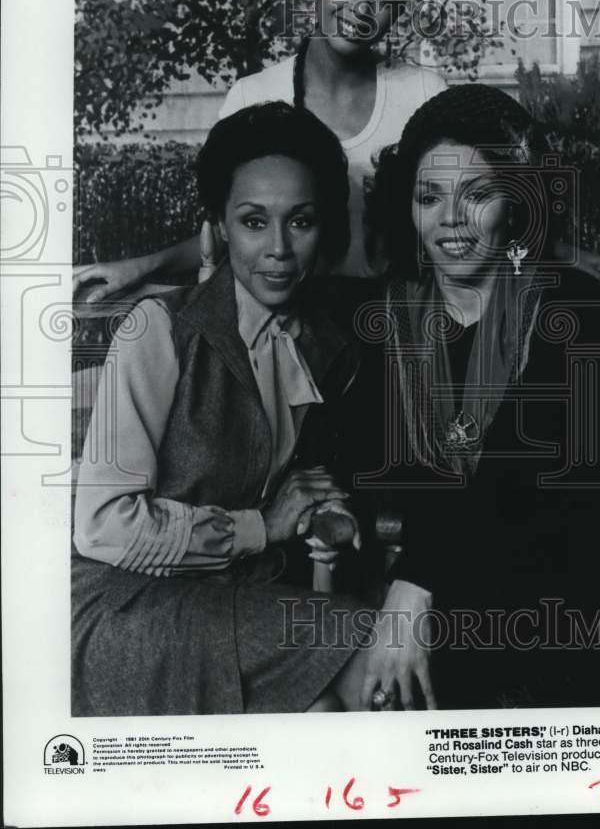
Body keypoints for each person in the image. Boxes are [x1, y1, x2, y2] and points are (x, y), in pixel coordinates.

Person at [346, 84, 600, 711]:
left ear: (516, 206)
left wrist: (413, 584)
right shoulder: (389, 314)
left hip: (573, 579)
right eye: (428, 197)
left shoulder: (568, 301)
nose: (450, 221)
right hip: (450, 583)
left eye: (478, 195)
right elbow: (360, 458)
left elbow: (521, 463)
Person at [72, 102, 375, 716]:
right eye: (254, 222)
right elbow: (102, 523)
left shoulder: (326, 346)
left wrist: (317, 500)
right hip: (130, 610)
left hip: (238, 599)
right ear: (218, 228)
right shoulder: (158, 330)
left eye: (302, 221)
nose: (280, 250)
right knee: (368, 644)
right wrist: (259, 527)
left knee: (351, 690)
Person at [72, 0, 446, 297]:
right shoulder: (254, 96)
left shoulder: (423, 94)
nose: (361, 9)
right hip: (290, 331)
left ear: (398, 11)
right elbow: (229, 232)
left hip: (394, 324)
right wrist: (141, 266)